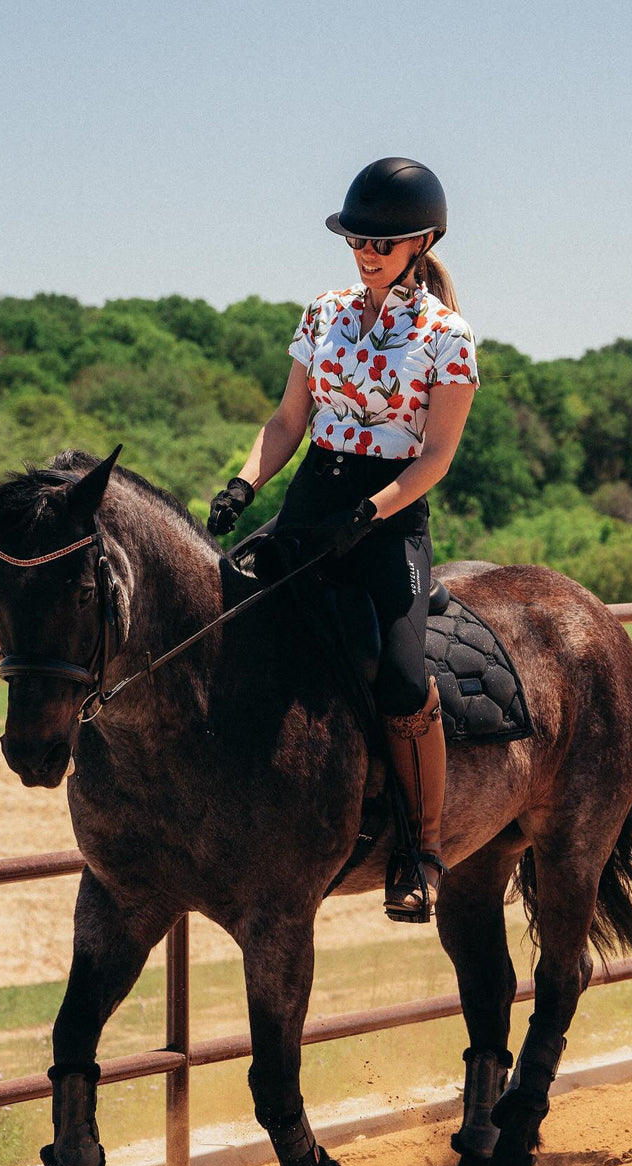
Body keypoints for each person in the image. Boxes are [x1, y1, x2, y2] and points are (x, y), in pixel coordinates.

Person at [208, 157, 478, 921]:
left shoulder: (446, 336)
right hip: (310, 501)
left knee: (397, 674)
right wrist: (244, 483)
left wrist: (375, 512)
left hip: (391, 519)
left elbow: (436, 456)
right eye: (357, 240)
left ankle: (420, 850)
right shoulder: (323, 314)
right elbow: (289, 421)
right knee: (228, 614)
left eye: (382, 244)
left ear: (422, 242)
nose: (366, 254)